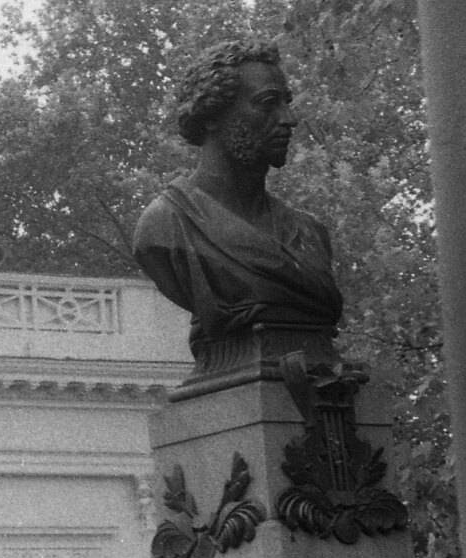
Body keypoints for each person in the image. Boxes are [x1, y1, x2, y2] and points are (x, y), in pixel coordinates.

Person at [132, 41, 344, 353]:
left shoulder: (311, 232)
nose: (289, 119)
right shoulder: (164, 227)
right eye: (268, 103)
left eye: (286, 103)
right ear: (211, 114)